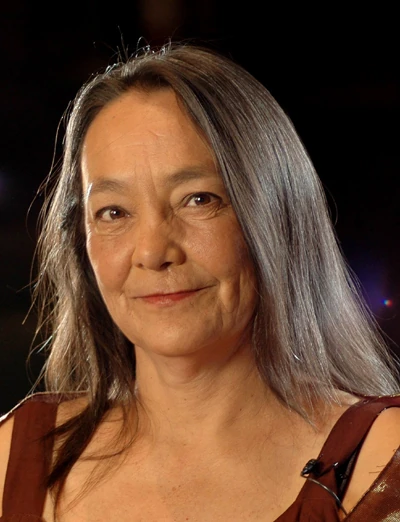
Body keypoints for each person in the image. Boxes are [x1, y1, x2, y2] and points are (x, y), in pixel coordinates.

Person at [0, 42, 400, 522]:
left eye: (198, 199)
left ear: (274, 215)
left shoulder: (381, 464)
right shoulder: (16, 458)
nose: (153, 252)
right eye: (114, 212)